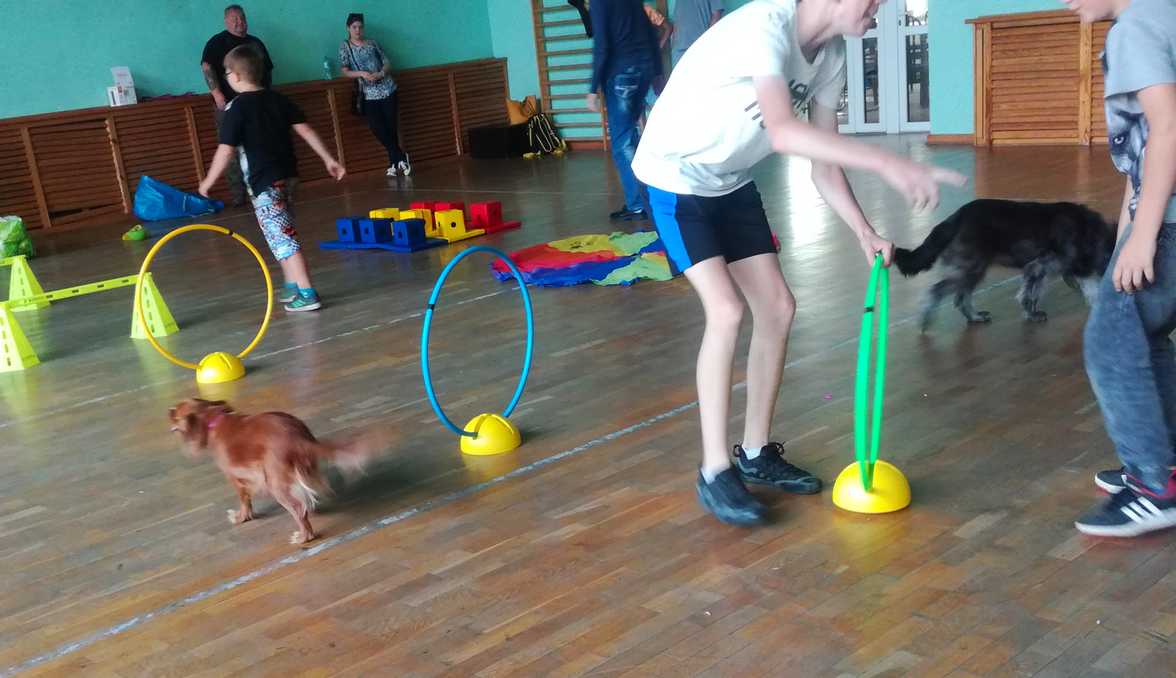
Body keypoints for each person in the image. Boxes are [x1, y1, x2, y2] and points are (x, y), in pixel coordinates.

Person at [631, 0, 965, 525]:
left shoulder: (832, 55)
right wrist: (887, 161)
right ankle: (715, 470)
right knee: (726, 310)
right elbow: (784, 132)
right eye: (874, 0)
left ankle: (755, 451)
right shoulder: (768, 26)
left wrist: (864, 230)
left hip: (729, 182)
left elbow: (823, 166)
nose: (879, 11)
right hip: (676, 177)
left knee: (778, 307)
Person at [1061, 0, 1176, 537]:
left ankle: (1154, 486)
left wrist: (1145, 235)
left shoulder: (1134, 28)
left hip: (1170, 222)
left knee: (1109, 343)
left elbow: (1168, 128)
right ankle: (1166, 464)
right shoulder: (1164, 13)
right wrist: (1125, 241)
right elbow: (1141, 150)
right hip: (1160, 218)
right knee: (1144, 335)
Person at [198, 45, 346, 313]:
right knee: (280, 232)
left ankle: (307, 292)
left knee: (284, 238)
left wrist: (209, 181)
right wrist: (328, 158)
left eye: (227, 73)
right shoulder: (278, 99)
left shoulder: (236, 109)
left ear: (236, 76)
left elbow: (226, 150)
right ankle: (292, 283)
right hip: (288, 177)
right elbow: (306, 130)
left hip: (264, 183)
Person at [587, 0, 662, 221]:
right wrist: (657, 72)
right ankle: (647, 199)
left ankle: (638, 204)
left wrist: (592, 88)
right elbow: (650, 32)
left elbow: (602, 44)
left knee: (623, 144)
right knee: (632, 138)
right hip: (643, 68)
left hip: (622, 73)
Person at [200, 4, 274, 206]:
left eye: (242, 18)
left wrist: (267, 97)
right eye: (235, 19)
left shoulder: (255, 43)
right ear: (226, 21)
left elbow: (267, 72)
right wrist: (217, 95)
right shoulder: (217, 42)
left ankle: (261, 189)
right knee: (230, 149)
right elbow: (206, 67)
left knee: (259, 145)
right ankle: (238, 195)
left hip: (257, 103)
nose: (240, 22)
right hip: (228, 104)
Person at [338, 13, 411, 178]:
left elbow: (387, 62)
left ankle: (394, 163)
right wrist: (362, 73)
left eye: (360, 27)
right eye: (354, 27)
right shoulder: (345, 46)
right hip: (368, 94)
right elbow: (345, 70)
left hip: (388, 89)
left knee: (391, 127)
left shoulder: (372, 43)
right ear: (348, 28)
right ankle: (401, 157)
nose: (358, 30)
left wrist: (380, 73)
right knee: (376, 127)